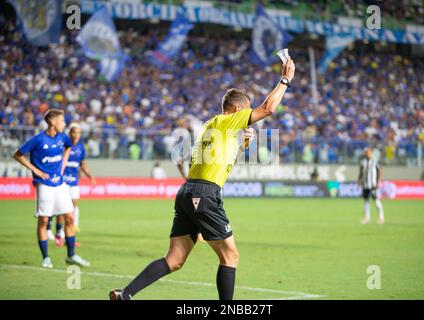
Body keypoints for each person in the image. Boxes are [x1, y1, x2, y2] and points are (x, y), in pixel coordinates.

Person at [109, 57, 295, 300]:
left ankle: (125, 294)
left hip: (188, 192)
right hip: (205, 194)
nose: (249, 117)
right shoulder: (228, 120)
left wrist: (242, 146)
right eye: (247, 111)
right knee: (230, 256)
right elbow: (268, 108)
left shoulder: (211, 126)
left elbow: (220, 164)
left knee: (174, 260)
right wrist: (285, 80)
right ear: (238, 110)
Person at [12, 109, 90, 268]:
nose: (64, 124)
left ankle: (71, 255)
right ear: (53, 122)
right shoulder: (38, 139)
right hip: (44, 185)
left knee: (69, 218)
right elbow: (18, 155)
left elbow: (68, 147)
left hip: (60, 184)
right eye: (62, 121)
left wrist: (62, 166)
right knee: (44, 221)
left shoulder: (63, 137)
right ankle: (46, 258)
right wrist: (35, 170)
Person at [358, 147, 385, 225]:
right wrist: (359, 181)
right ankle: (367, 218)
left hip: (373, 185)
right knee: (366, 201)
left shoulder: (375, 161)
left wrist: (378, 182)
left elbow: (379, 172)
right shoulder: (362, 162)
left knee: (376, 201)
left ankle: (381, 217)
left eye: (368, 152)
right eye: (365, 152)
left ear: (370, 153)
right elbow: (360, 172)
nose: (366, 153)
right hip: (365, 185)